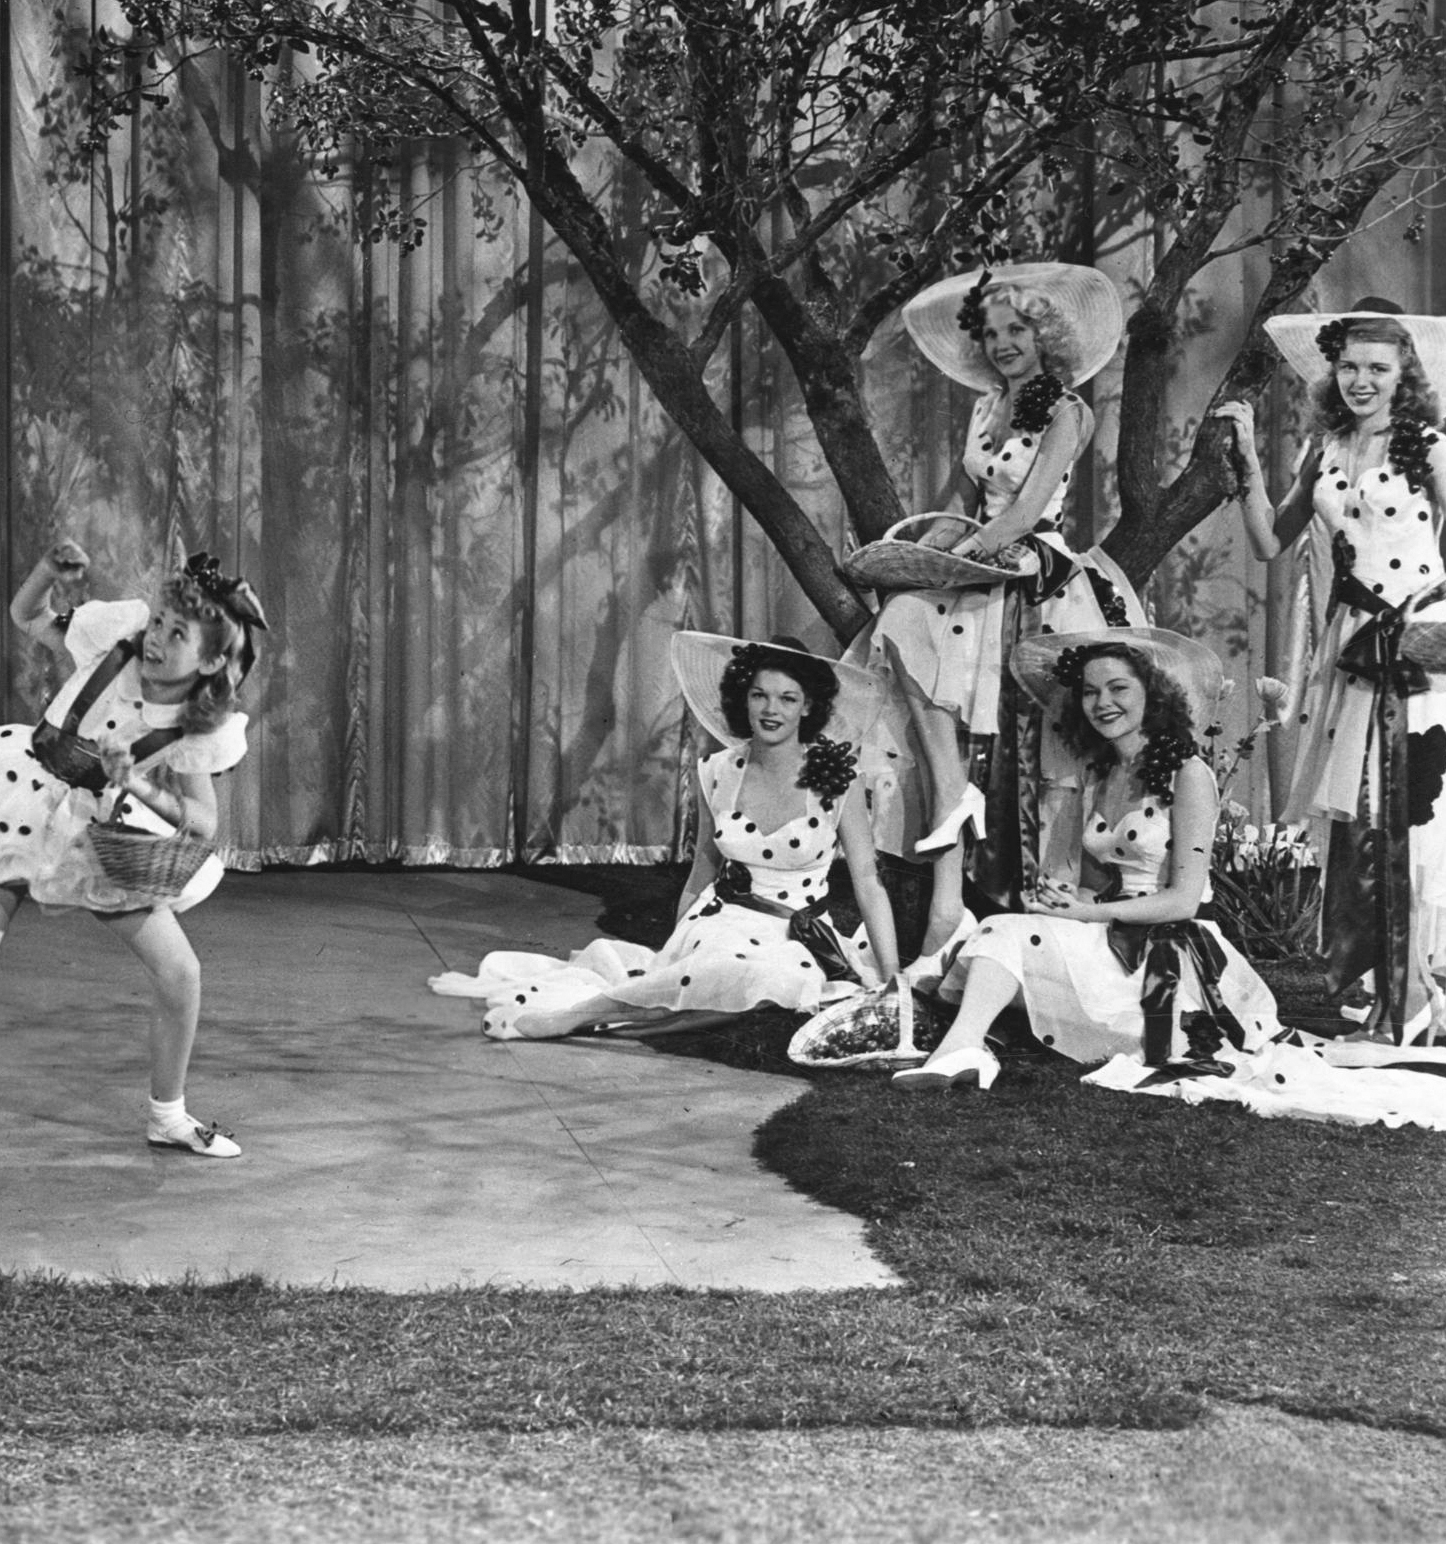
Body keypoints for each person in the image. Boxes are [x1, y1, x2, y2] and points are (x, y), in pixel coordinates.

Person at [0, 544, 269, 1162]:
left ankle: (169, 1117)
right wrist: (48, 572)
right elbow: (27, 616)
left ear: (208, 661)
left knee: (181, 973)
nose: (157, 637)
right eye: (159, 621)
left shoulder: (193, 722)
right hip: (17, 803)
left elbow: (203, 822)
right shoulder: (115, 641)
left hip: (94, 832)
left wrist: (139, 784)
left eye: (177, 634)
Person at [854, 262, 1139, 952]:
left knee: (1045, 740)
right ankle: (952, 800)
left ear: (1043, 336)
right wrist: (925, 547)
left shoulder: (1068, 410)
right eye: (991, 334)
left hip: (1034, 571)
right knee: (901, 623)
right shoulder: (985, 407)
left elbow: (1028, 508)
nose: (1003, 344)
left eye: (1016, 330)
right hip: (978, 562)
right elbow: (964, 498)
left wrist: (967, 553)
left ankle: (1047, 894)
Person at [430, 635, 905, 1038]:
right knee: (727, 975)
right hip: (724, 923)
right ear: (743, 698)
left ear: (809, 706)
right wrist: (676, 948)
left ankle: (604, 1021)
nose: (771, 710)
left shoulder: (836, 779)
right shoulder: (718, 771)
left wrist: (891, 975)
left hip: (797, 935)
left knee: (774, 982)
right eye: (760, 695)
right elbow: (703, 870)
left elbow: (867, 881)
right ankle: (577, 1017)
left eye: (787, 698)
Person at [895, 629, 1277, 1090]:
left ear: (1152, 694)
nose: (1102, 703)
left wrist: (1086, 913)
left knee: (1003, 935)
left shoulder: (1189, 775)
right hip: (1112, 940)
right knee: (1005, 934)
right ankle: (964, 1049)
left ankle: (964, 1047)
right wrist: (1062, 903)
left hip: (1172, 954)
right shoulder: (1100, 775)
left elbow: (1184, 901)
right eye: (1091, 692)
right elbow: (1092, 889)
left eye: (1118, 688)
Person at [1224, 304, 1446, 1043]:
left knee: (1401, 813)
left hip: (1414, 645)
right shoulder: (1323, 447)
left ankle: (1409, 996)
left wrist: (1428, 626)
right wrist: (1248, 461)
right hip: (1348, 646)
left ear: (1405, 374)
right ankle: (1390, 989)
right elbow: (1267, 541)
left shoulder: (1431, 449)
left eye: (1377, 367)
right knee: (1358, 816)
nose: (1360, 380)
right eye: (1348, 366)